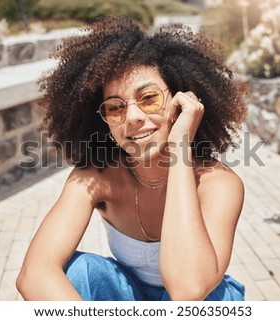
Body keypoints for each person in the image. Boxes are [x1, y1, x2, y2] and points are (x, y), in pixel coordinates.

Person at [16, 15, 247, 301]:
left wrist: (180, 147)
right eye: (115, 108)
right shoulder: (95, 178)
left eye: (149, 98)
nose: (133, 118)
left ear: (182, 101)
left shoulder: (217, 183)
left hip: (199, 300)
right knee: (80, 272)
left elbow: (189, 289)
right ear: (104, 123)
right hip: (126, 297)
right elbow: (35, 274)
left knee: (211, 297)